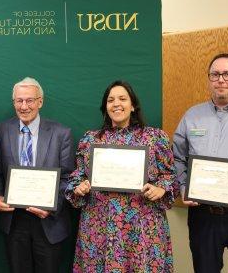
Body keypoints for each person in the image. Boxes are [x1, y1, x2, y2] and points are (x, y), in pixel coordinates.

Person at [65, 80, 179, 272]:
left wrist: (160, 189)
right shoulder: (90, 140)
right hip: (99, 227)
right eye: (111, 100)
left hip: (142, 227)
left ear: (133, 105)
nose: (116, 103)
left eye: (122, 98)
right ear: (105, 107)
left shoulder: (154, 138)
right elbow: (77, 177)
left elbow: (170, 176)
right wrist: (79, 187)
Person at [0, 77, 74, 273]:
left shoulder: (61, 133)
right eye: (19, 100)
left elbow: (68, 178)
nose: (24, 106)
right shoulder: (2, 130)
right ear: (14, 102)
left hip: (49, 222)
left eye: (30, 100)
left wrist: (52, 207)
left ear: (40, 102)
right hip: (14, 221)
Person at [173, 53, 228, 272]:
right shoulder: (192, 116)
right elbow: (178, 157)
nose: (221, 80)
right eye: (215, 74)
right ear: (209, 78)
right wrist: (183, 186)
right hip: (203, 216)